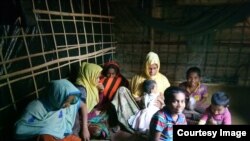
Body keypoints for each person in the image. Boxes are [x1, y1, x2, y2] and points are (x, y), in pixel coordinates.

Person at [111, 51, 170, 133]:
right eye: (149, 68)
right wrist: (140, 100)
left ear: (158, 66)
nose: (152, 71)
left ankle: (143, 128)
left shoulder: (163, 80)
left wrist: (162, 104)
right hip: (136, 109)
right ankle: (120, 122)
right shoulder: (136, 78)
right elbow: (131, 97)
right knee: (122, 90)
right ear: (145, 66)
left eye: (155, 68)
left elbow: (169, 99)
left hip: (156, 111)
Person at [15, 79, 85, 141]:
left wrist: (85, 129)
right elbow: (20, 130)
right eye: (66, 101)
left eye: (70, 101)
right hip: (48, 138)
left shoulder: (59, 104)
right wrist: (47, 130)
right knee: (45, 137)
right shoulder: (37, 107)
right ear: (56, 96)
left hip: (61, 136)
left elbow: (82, 105)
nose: (68, 105)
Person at [73, 62, 111, 139]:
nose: (98, 80)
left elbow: (98, 104)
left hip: (89, 114)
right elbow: (77, 114)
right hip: (81, 120)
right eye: (97, 77)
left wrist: (101, 92)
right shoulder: (81, 89)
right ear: (89, 75)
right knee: (98, 131)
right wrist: (93, 114)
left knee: (109, 111)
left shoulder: (91, 85)